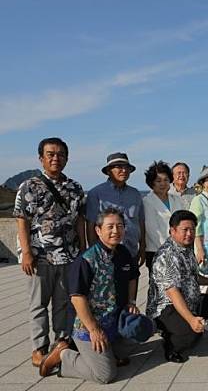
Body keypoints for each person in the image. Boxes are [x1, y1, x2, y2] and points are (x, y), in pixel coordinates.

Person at [39, 208, 140, 382]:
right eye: (110, 227)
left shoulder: (123, 253)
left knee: (142, 328)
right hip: (88, 326)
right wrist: (94, 329)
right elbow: (77, 297)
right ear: (98, 230)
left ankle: (108, 354)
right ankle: (64, 355)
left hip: (115, 320)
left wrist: (131, 301)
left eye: (120, 226)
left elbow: (133, 277)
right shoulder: (87, 260)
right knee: (105, 375)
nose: (116, 231)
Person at [14, 137, 85, 367]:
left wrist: (82, 251)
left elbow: (79, 222)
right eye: (50, 154)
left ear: (67, 158)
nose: (56, 158)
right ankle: (39, 347)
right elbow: (22, 220)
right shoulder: (29, 186)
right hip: (39, 256)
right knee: (39, 304)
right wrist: (26, 253)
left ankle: (60, 344)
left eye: (61, 154)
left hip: (68, 256)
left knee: (64, 303)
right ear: (41, 158)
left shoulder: (75, 188)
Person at [147, 210, 208, 363]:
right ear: (172, 230)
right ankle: (170, 345)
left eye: (192, 230)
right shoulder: (167, 255)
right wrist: (191, 320)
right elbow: (173, 292)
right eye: (185, 230)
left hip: (189, 300)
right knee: (192, 333)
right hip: (167, 307)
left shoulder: (186, 248)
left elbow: (192, 276)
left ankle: (181, 328)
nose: (189, 234)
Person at [86, 152, 145, 265]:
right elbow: (90, 224)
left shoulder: (135, 194)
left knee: (132, 282)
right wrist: (94, 253)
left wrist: (142, 248)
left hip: (131, 252)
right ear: (108, 171)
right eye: (119, 167)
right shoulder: (96, 193)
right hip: (106, 254)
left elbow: (141, 222)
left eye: (126, 167)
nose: (124, 170)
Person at [142, 161, 185, 272]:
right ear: (152, 183)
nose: (163, 184)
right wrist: (169, 250)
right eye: (158, 181)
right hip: (157, 251)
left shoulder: (177, 199)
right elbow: (152, 230)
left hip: (179, 250)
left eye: (166, 180)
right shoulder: (147, 202)